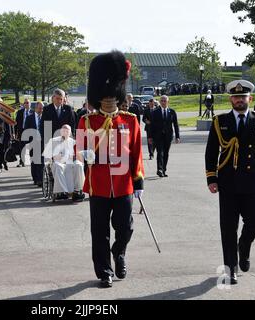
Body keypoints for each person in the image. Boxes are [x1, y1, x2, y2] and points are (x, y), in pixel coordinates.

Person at [76, 51, 144, 288]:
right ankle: (104, 271)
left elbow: (136, 153)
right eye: (104, 99)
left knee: (125, 227)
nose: (109, 102)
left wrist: (139, 180)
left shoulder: (130, 120)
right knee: (100, 231)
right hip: (99, 184)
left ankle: (120, 252)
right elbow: (80, 149)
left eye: (112, 98)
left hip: (124, 183)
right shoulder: (87, 121)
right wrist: (85, 154)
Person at [205, 80, 255, 285]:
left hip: (253, 182)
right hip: (228, 182)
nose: (239, 100)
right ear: (231, 99)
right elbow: (211, 152)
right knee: (228, 228)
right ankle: (230, 269)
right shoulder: (220, 121)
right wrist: (211, 178)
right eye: (236, 97)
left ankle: (243, 247)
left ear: (249, 99)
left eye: (243, 97)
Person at [43, 124, 85, 201]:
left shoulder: (73, 142)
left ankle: (77, 191)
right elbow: (46, 155)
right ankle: (61, 192)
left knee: (79, 165)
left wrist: (75, 157)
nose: (65, 132)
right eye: (63, 131)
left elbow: (79, 155)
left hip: (70, 163)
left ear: (70, 133)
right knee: (58, 166)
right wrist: (52, 158)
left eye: (67, 131)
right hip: (57, 163)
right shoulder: (53, 141)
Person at [148, 95, 180, 177]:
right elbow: (151, 126)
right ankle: (159, 169)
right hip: (158, 136)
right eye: (161, 100)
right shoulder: (155, 112)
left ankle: (164, 170)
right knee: (160, 152)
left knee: (166, 153)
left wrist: (177, 136)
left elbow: (176, 125)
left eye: (164, 101)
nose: (163, 102)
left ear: (168, 102)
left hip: (168, 136)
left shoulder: (172, 112)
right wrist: (150, 137)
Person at [24, 101, 44, 187]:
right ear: (35, 108)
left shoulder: (45, 118)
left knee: (42, 161)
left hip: (42, 143)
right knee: (34, 162)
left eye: (42, 108)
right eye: (39, 108)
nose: (41, 110)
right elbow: (26, 130)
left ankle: (41, 179)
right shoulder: (29, 118)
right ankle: (35, 178)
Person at [14, 98, 31, 167]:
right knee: (22, 148)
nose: (26, 104)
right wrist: (15, 133)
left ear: (30, 104)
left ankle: (33, 161)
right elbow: (16, 123)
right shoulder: (20, 112)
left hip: (31, 133)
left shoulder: (33, 112)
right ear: (23, 104)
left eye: (27, 103)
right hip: (22, 132)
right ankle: (22, 161)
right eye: (25, 103)